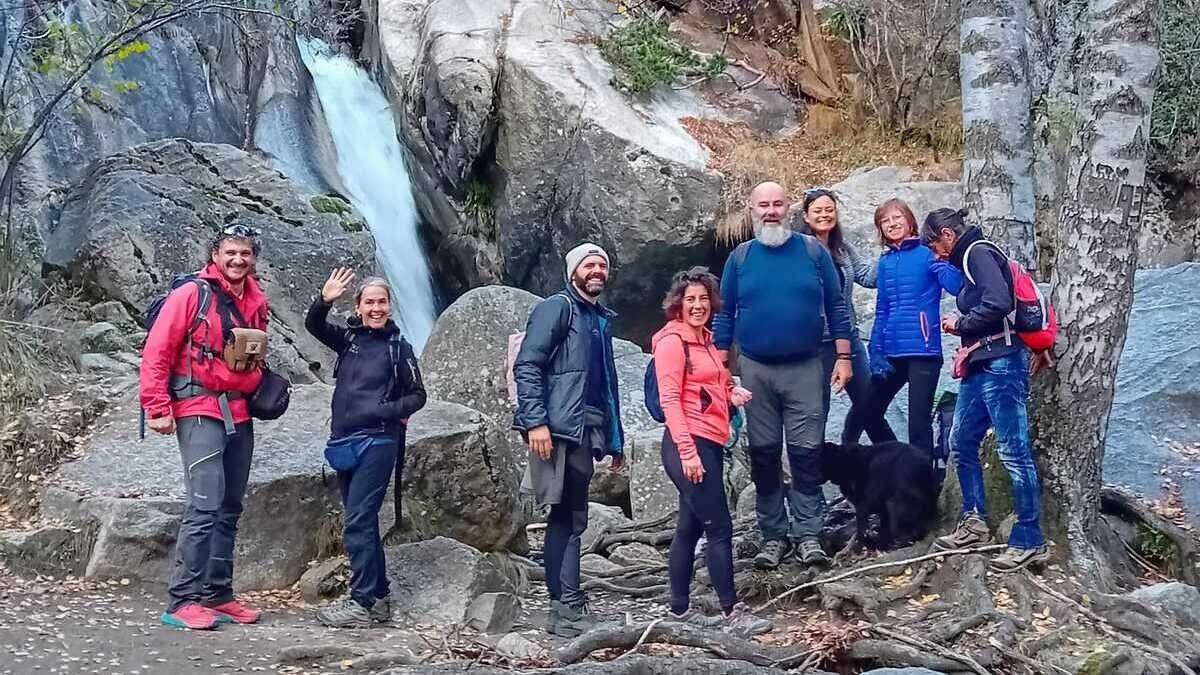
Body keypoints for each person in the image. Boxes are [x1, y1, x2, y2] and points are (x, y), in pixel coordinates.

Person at [713, 181, 854, 570]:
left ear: (788, 208)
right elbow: (724, 315)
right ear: (752, 209)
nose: (771, 211)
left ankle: (809, 534)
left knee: (807, 454)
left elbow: (836, 305)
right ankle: (773, 535)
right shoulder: (740, 258)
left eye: (777, 204)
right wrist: (720, 368)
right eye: (764, 205)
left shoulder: (812, 252)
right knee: (764, 454)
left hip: (807, 367)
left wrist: (844, 357)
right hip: (755, 370)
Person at [140, 224, 270, 630]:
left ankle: (218, 593)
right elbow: (157, 350)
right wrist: (157, 406)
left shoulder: (255, 300)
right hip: (198, 408)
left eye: (245, 254)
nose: (237, 260)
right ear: (215, 255)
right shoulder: (191, 295)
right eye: (230, 252)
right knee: (204, 505)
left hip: (239, 412)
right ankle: (182, 600)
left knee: (230, 506)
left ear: (253, 258)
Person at [922, 208, 1049, 572]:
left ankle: (1029, 538)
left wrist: (961, 322)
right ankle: (974, 521)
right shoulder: (968, 257)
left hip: (1002, 365)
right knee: (960, 441)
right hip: (980, 364)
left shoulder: (977, 252)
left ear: (947, 234)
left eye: (934, 245)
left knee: (1013, 451)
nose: (935, 254)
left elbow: (999, 302)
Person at [512, 242, 625, 637]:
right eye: (589, 264)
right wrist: (536, 423)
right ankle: (567, 608)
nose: (596, 270)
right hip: (558, 430)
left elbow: (605, 385)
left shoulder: (596, 317)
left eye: (602, 265)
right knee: (569, 518)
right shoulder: (557, 307)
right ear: (573, 271)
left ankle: (564, 608)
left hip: (584, 430)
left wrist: (615, 441)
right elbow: (527, 364)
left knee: (567, 517)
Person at [652, 267, 773, 636]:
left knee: (688, 528)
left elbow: (708, 386)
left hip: (708, 441)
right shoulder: (673, 342)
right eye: (690, 299)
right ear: (678, 304)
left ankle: (679, 610)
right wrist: (688, 453)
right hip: (688, 445)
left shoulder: (703, 339)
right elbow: (670, 399)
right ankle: (732, 613)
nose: (698, 305)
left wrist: (730, 394)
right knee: (719, 527)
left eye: (704, 298)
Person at [304, 269, 427, 627]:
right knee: (363, 522)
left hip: (379, 441)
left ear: (390, 307)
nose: (376, 308)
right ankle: (379, 598)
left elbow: (418, 395)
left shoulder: (398, 349)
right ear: (358, 307)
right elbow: (314, 325)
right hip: (344, 440)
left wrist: (384, 411)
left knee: (357, 521)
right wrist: (325, 299)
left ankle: (361, 601)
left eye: (382, 302)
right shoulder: (349, 341)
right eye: (369, 302)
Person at [861, 199, 962, 456]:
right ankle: (898, 466)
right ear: (880, 229)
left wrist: (941, 262)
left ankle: (924, 490)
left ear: (910, 221)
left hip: (923, 351)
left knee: (919, 427)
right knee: (869, 413)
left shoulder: (928, 251)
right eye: (885, 221)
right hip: (893, 352)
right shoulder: (885, 262)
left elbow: (955, 286)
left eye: (897, 217)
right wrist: (876, 351)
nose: (892, 224)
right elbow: (883, 309)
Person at [798, 188, 896, 445]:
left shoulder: (841, 247)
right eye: (817, 210)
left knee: (869, 403)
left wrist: (891, 252)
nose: (824, 215)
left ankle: (894, 462)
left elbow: (866, 275)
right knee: (816, 412)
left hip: (847, 336)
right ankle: (811, 477)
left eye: (829, 210)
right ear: (806, 216)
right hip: (812, 343)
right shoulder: (796, 251)